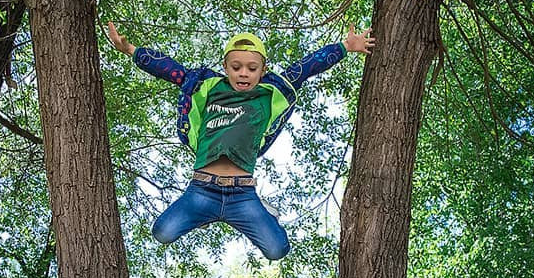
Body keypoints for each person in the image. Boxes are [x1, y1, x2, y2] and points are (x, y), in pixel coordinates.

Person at [106, 22, 374, 260]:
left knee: (277, 250)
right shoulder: (208, 86)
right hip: (201, 190)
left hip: (242, 195)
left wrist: (345, 47)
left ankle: (255, 213)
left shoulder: (269, 92)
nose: (243, 73)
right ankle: (208, 214)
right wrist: (131, 49)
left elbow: (305, 68)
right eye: (236, 67)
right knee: (162, 232)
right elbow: (171, 71)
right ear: (225, 68)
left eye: (251, 68)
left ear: (262, 70)